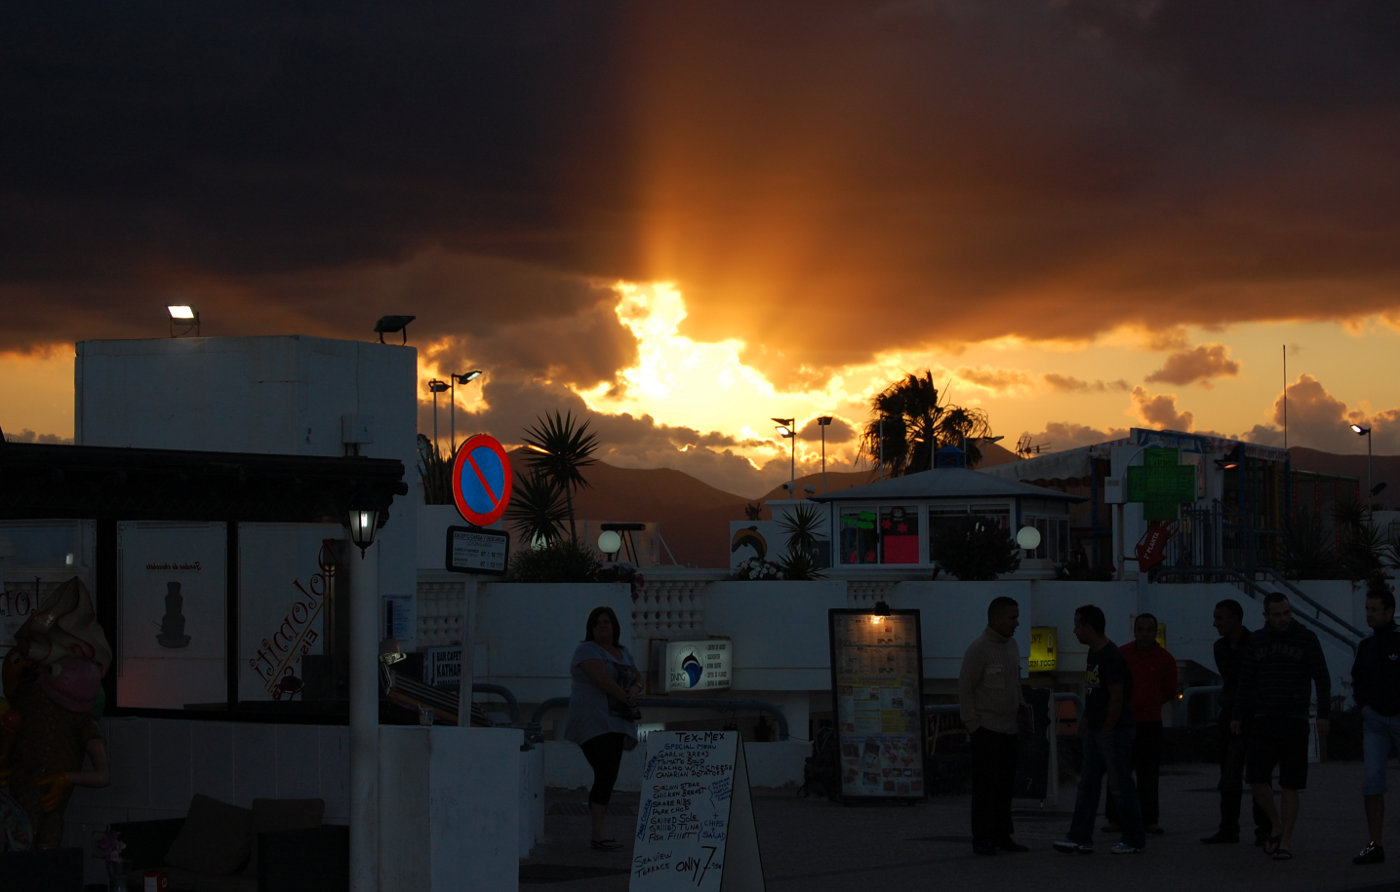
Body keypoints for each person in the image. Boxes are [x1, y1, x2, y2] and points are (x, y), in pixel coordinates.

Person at [1231, 592, 1331, 861]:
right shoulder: (1257, 641)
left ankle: (1285, 839)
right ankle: (1276, 824)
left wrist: (1324, 714)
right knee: (1255, 776)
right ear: (1266, 616)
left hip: (1295, 718)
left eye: (1286, 613)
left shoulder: (1306, 638)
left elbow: (1322, 677)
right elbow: (1247, 681)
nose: (1283, 619)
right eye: (1277, 615)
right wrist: (1238, 715)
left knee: (1290, 783)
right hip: (1264, 718)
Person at [1054, 605, 1147, 855]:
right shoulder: (1095, 654)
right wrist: (1086, 721)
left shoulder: (1111, 657)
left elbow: (1117, 697)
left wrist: (1107, 727)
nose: (1074, 631)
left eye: (1077, 625)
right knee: (1089, 784)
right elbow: (1094, 692)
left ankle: (1134, 838)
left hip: (1112, 731)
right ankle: (1080, 836)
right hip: (1098, 729)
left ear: (1088, 627)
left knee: (1120, 785)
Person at [564, 605, 643, 851]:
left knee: (608, 774)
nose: (602, 626)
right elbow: (601, 679)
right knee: (605, 771)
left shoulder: (623, 652)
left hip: (617, 722)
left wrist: (634, 690)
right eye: (597, 623)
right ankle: (598, 831)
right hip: (593, 721)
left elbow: (639, 678)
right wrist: (625, 696)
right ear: (591, 628)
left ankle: (599, 831)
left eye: (606, 622)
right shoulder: (586, 650)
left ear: (614, 626)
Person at [957, 596, 1031, 855]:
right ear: (997, 619)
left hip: (1009, 729)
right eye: (1013, 617)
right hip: (986, 730)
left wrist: (1021, 708)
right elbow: (965, 688)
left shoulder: (1011, 646)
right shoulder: (978, 650)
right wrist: (973, 726)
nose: (1017, 623)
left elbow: (1016, 682)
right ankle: (982, 838)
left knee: (1004, 786)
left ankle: (1002, 835)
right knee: (985, 788)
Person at [1201, 598, 1269, 845]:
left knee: (1256, 773)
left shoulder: (1251, 645)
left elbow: (1243, 679)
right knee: (1231, 774)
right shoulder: (1223, 647)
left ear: (1234, 619)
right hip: (1232, 712)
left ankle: (1261, 828)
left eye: (1220, 618)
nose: (1216, 623)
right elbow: (1237, 677)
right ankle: (1231, 827)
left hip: (1251, 714)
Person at [1104, 614, 1176, 835]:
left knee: (1148, 774)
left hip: (1150, 723)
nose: (1145, 633)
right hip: (1126, 721)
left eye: (1149, 629)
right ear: (1135, 631)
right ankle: (1115, 818)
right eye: (1141, 629)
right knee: (1119, 772)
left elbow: (1169, 691)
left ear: (1155, 632)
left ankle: (1149, 819)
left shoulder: (1165, 659)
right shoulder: (1123, 654)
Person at [1350, 575, 1400, 865]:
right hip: (1376, 721)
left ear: (1389, 611)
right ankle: (1375, 844)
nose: (1369, 614)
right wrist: (1364, 707)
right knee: (1372, 782)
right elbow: (1358, 679)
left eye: (1373, 610)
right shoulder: (1366, 646)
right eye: (1367, 609)